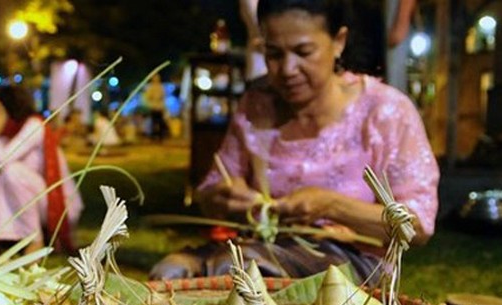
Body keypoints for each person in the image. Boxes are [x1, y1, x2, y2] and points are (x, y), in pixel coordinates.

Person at [150, 0, 439, 282]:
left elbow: (418, 225)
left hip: (347, 262)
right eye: (273, 54)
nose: (287, 69)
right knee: (171, 271)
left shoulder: (384, 110)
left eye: (304, 51)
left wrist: (331, 207)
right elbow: (211, 195)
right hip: (258, 248)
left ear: (338, 41)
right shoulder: (257, 105)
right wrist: (225, 198)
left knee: (241, 271)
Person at [0, 85, 83, 255]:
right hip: (36, 197)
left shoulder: (34, 125)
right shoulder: (6, 135)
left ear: (5, 109)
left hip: (60, 204)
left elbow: (1, 160)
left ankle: (34, 239)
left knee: (10, 171)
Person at [143, 74, 167, 142]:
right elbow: (148, 97)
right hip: (153, 107)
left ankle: (160, 136)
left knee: (160, 122)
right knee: (153, 123)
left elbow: (163, 96)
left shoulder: (161, 87)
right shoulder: (150, 87)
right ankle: (153, 136)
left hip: (160, 107)